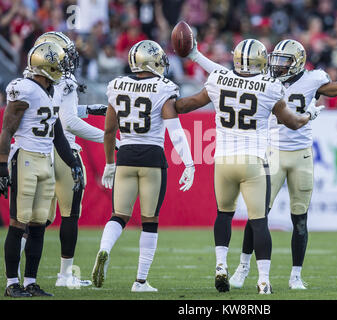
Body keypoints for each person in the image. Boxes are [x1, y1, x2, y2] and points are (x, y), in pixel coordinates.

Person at [186, 38, 337, 290]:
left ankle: (295, 275)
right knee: (258, 217)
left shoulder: (313, 79)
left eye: (284, 62)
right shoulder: (263, 77)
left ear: (297, 63)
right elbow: (225, 74)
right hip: (272, 152)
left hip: (301, 155)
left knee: (300, 219)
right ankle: (243, 267)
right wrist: (196, 55)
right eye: (275, 61)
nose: (277, 67)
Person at [175, 39, 324, 294]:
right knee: (259, 221)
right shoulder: (270, 86)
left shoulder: (218, 79)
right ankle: (263, 281)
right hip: (253, 161)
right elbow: (293, 123)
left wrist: (163, 102)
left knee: (223, 215)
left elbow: (185, 105)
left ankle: (221, 265)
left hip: (222, 161)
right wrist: (311, 114)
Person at [17, 31, 120, 289]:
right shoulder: (66, 79)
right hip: (63, 152)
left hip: (36, 152)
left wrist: (88, 110)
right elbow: (69, 123)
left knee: (37, 219)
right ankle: (65, 275)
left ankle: (14, 274)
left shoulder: (29, 80)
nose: (69, 59)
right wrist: (110, 139)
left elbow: (59, 114)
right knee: (70, 215)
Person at [92, 40, 195, 292]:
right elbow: (175, 131)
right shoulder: (163, 87)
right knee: (150, 221)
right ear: (152, 62)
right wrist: (189, 163)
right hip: (152, 157)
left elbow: (108, 130)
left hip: (125, 155)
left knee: (119, 215)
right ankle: (140, 281)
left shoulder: (116, 85)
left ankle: (104, 249)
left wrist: (108, 163)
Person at [0, 41, 84, 297]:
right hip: (24, 157)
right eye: (57, 63)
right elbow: (7, 129)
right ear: (45, 65)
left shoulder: (48, 90)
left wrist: (72, 163)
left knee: (37, 225)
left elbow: (58, 134)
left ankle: (30, 282)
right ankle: (11, 283)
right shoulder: (23, 88)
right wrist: (2, 165)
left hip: (45, 159)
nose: (62, 67)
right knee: (18, 224)